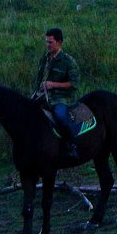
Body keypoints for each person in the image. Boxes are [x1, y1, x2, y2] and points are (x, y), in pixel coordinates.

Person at [34, 27, 81, 158]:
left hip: (61, 98)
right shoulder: (44, 59)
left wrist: (52, 85)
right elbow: (39, 79)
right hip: (43, 97)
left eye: (50, 42)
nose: (47, 45)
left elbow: (73, 84)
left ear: (59, 42)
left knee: (60, 116)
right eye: (46, 41)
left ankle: (72, 145)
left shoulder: (68, 62)